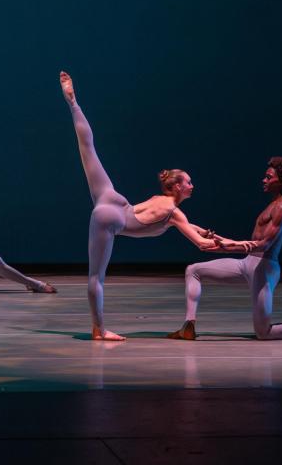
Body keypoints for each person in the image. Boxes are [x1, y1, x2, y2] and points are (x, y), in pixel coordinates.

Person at [60, 70, 227, 341]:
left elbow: (185, 227)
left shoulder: (169, 208)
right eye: (188, 182)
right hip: (112, 218)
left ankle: (72, 102)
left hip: (112, 200)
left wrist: (202, 231)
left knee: (88, 148)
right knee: (96, 277)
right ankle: (99, 330)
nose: (192, 186)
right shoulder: (174, 212)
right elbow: (201, 245)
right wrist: (242, 245)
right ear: (176, 187)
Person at [168, 157, 282, 340]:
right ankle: (189, 326)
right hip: (248, 264)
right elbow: (251, 245)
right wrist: (219, 241)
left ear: (281, 180)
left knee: (263, 332)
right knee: (194, 270)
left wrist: (230, 246)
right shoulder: (272, 205)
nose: (264, 180)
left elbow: (265, 244)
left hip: (264, 270)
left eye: (269, 177)